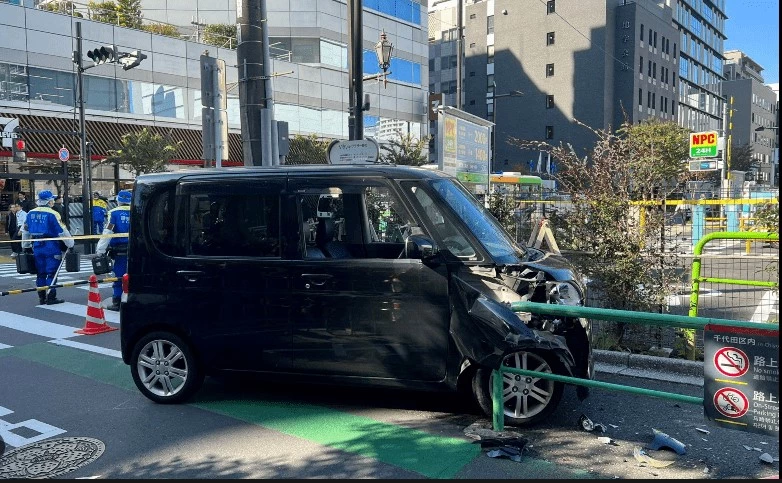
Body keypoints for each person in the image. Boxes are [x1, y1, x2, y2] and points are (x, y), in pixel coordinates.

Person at [21, 190, 75, 305]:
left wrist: (25, 246)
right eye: (52, 200)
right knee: (52, 272)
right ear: (49, 201)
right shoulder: (53, 214)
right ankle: (51, 297)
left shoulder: (30, 213)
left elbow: (25, 231)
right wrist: (70, 244)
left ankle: (41, 297)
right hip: (51, 245)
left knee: (40, 273)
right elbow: (62, 231)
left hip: (37, 245)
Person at [96, 189, 131, 311]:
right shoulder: (137, 211)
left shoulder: (114, 213)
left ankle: (117, 301)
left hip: (120, 250)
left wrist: (100, 250)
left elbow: (108, 231)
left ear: (118, 200)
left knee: (119, 276)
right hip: (135, 249)